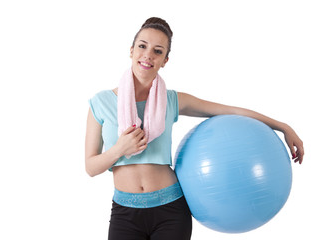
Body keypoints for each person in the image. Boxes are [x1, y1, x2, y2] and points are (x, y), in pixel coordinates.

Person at [85, 17, 304, 240]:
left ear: (165, 60)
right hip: (125, 212)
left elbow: (229, 111)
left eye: (158, 51)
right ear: (131, 50)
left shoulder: (172, 101)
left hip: (170, 210)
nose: (148, 55)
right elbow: (91, 167)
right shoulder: (101, 103)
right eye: (142, 46)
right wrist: (119, 149)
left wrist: (282, 126)